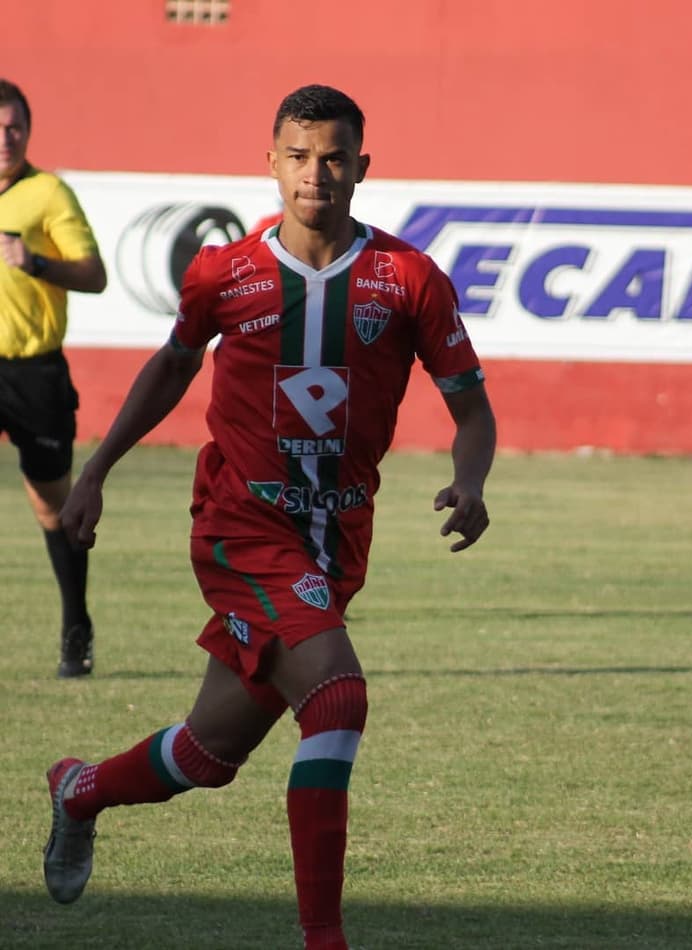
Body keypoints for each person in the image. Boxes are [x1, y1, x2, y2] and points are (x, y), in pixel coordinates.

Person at [42, 84, 496, 950]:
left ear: (363, 167)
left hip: (335, 544)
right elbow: (171, 368)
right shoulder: (227, 272)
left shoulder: (407, 279)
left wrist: (469, 481)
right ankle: (323, 938)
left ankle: (81, 788)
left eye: (333, 157)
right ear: (271, 162)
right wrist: (96, 469)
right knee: (337, 696)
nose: (315, 173)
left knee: (209, 756)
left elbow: (473, 409)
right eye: (298, 155)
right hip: (240, 526)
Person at [0, 79, 108, 678]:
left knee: (51, 506)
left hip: (33, 371)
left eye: (14, 126)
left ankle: (76, 625)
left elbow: (95, 275)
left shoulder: (47, 195)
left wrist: (34, 261)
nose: (5, 138)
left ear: (28, 131)